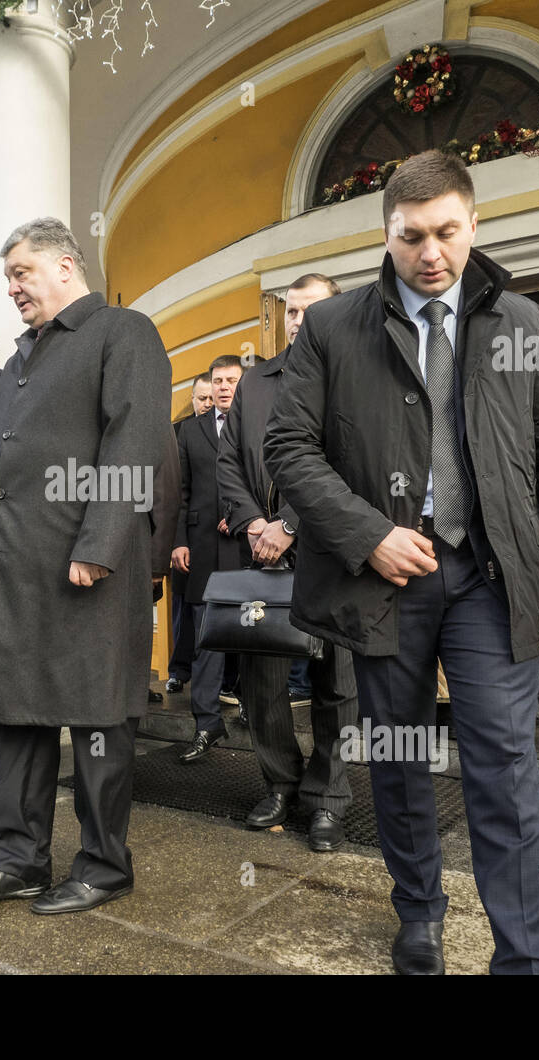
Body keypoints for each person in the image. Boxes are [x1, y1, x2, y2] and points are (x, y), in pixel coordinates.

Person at [264, 149, 539, 975]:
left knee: (504, 762)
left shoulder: (520, 322)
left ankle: (525, 956)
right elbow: (288, 445)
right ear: (387, 232)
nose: (431, 253)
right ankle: (418, 912)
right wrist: (366, 531)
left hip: (492, 578)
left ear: (474, 223)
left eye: (447, 231)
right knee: (402, 757)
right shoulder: (334, 327)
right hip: (386, 581)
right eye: (411, 235)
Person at [0, 217, 171, 914]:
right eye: (8, 277)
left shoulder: (122, 331)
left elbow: (134, 440)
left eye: (21, 272)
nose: (11, 288)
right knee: (18, 716)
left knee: (99, 719)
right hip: (14, 570)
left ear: (66, 266)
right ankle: (19, 859)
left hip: (85, 568)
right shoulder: (17, 361)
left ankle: (105, 864)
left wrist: (100, 545)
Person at [217, 273, 359, 849]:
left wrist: (291, 527)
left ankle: (328, 798)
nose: (299, 320)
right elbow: (228, 462)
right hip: (264, 560)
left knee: (337, 684)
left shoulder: (357, 378)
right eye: (292, 311)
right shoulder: (255, 382)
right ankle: (280, 782)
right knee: (263, 681)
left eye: (311, 309)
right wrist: (256, 524)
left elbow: (356, 465)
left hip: (338, 555)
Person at [172, 355, 245, 762]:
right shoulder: (189, 430)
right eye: (217, 380)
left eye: (231, 380)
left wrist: (239, 516)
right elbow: (179, 492)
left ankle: (255, 708)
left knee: (252, 634)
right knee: (205, 640)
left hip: (247, 548)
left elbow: (271, 481)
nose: (222, 387)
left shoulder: (259, 422)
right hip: (200, 549)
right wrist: (177, 541)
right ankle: (206, 724)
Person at [165, 373, 214, 693]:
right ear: (192, 399)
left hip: (213, 538)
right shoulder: (175, 433)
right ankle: (179, 670)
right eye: (201, 398)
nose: (207, 404)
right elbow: (171, 491)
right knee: (183, 607)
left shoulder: (228, 431)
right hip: (182, 534)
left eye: (211, 398)